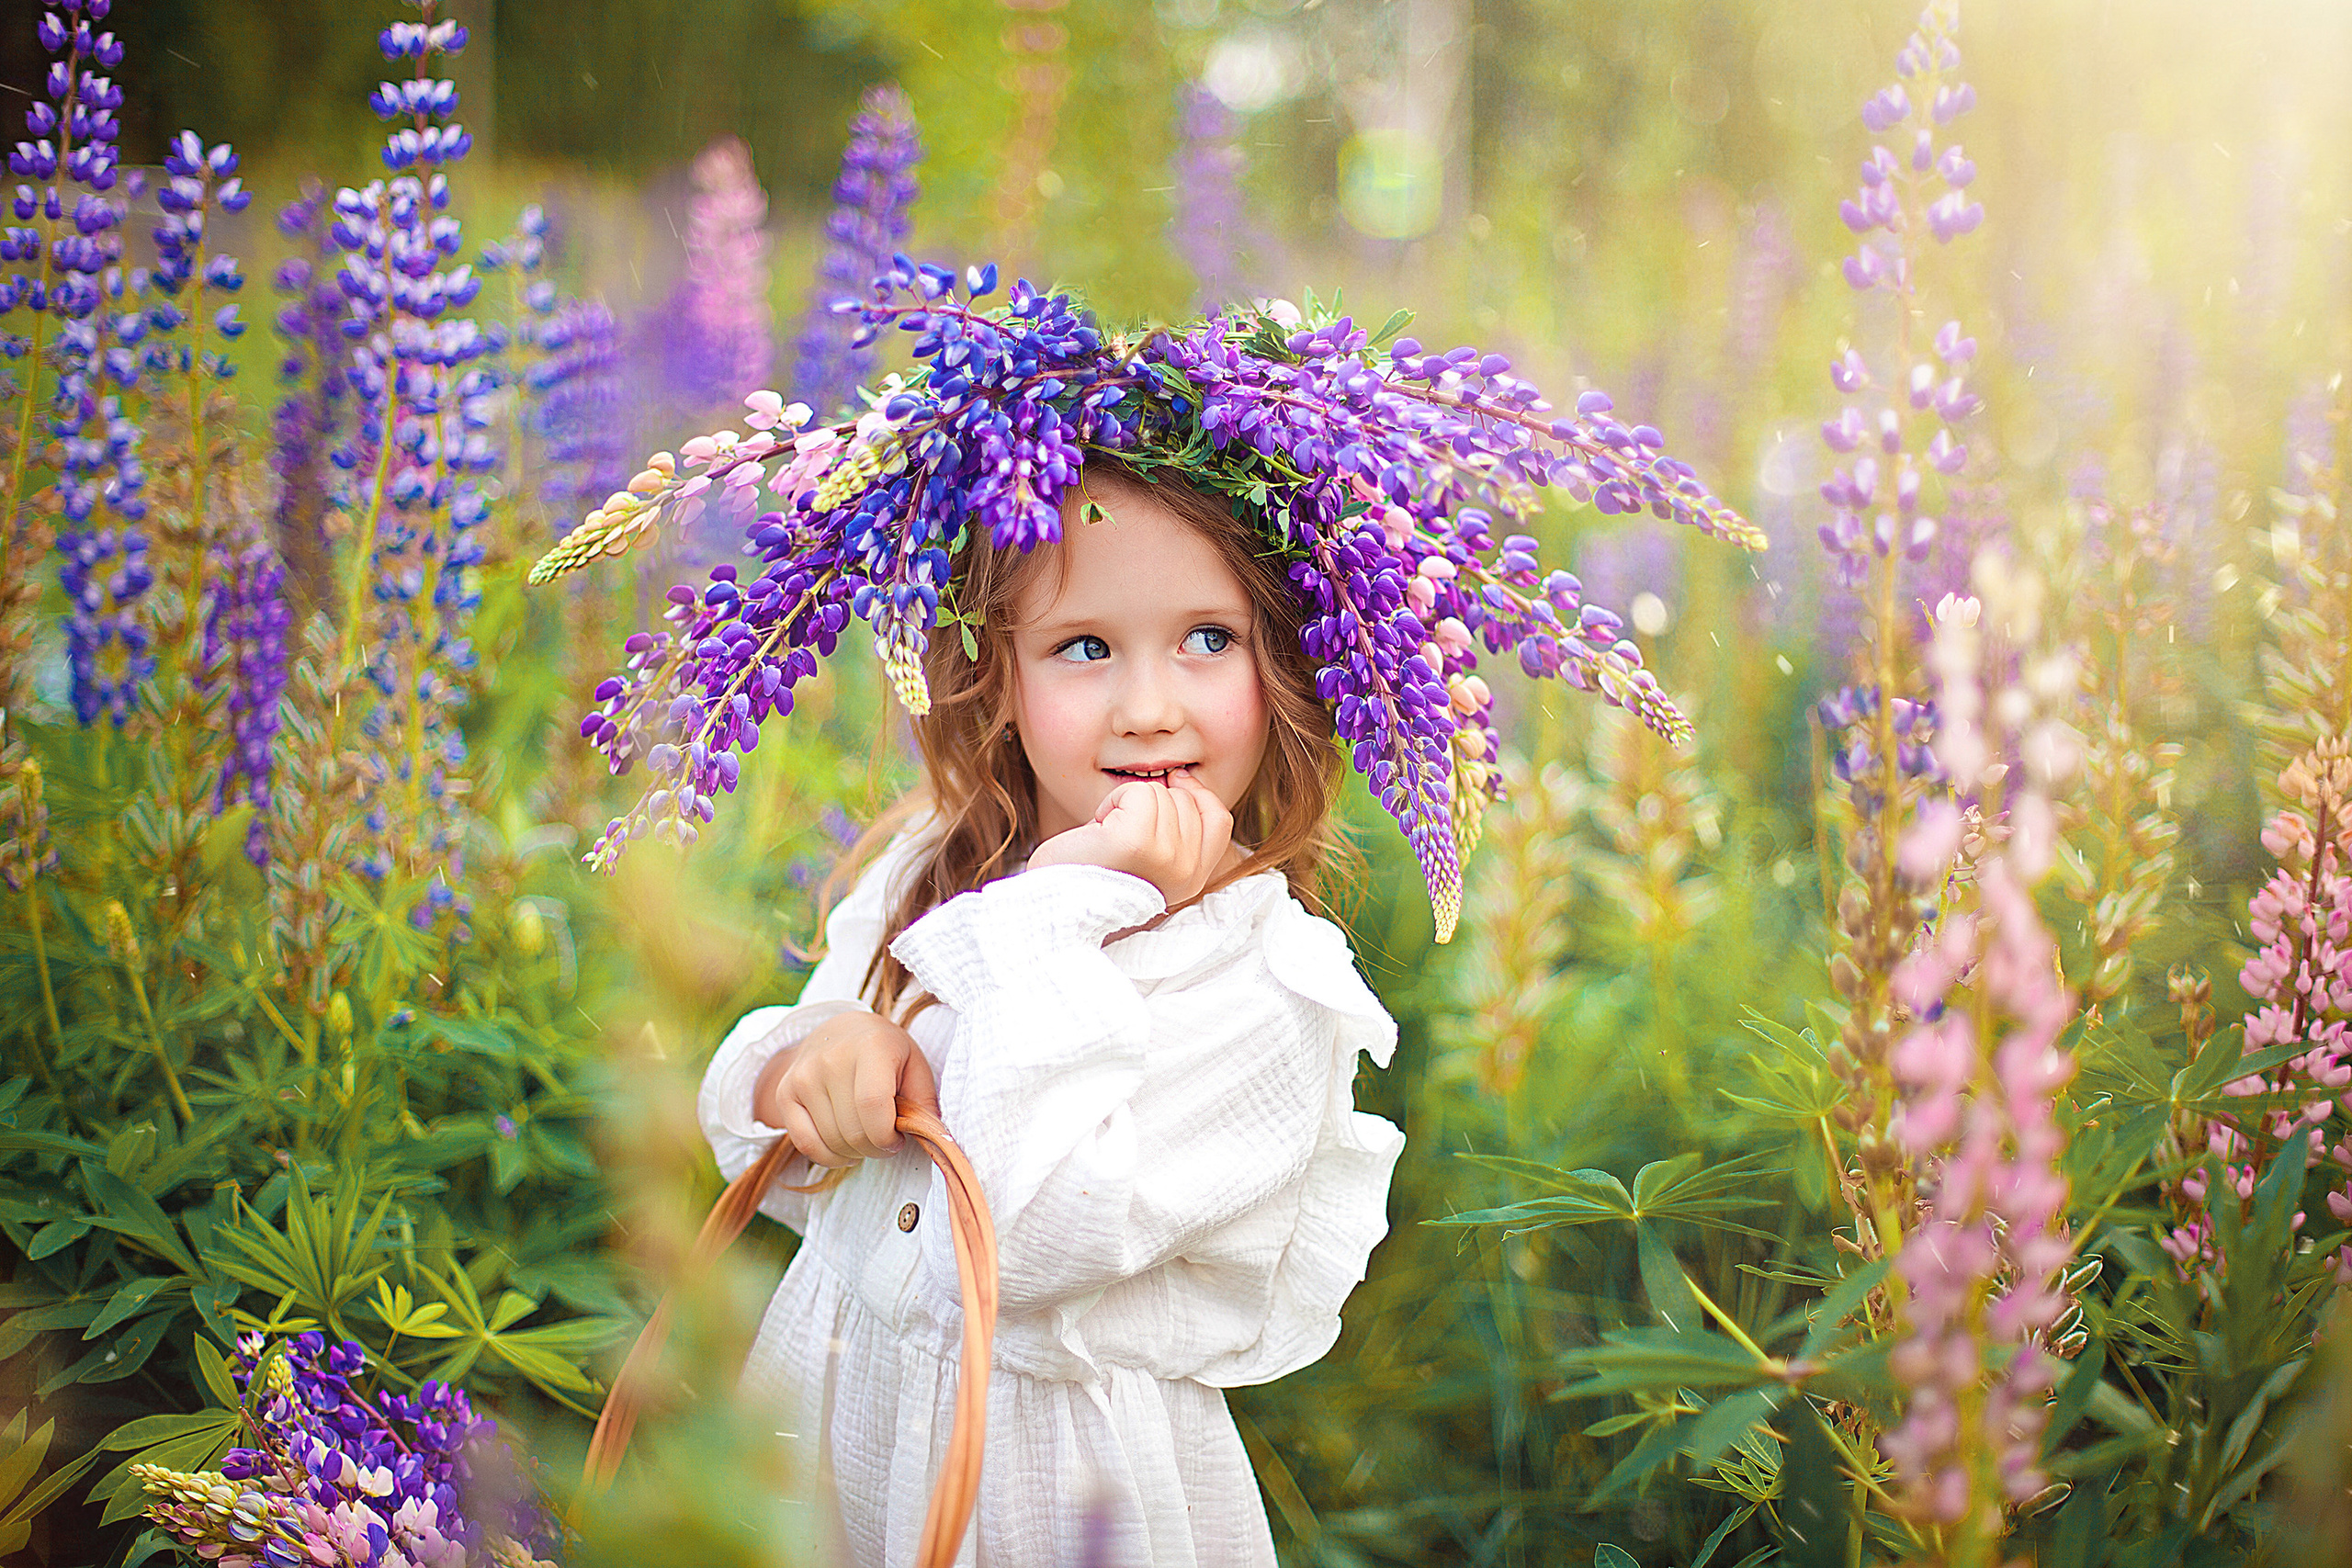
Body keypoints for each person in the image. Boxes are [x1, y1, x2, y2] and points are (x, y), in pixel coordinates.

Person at [696, 459, 1407, 1567]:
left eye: (1209, 638)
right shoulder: (932, 868)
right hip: (824, 1437)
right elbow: (751, 1144)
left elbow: (1021, 1244)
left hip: (1056, 1497)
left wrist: (1064, 901)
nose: (1150, 707)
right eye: (1085, 647)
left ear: (1285, 664)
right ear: (998, 676)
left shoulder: (1266, 984)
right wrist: (815, 1060)